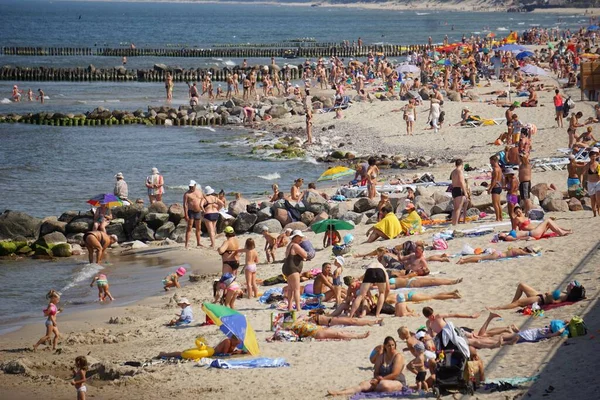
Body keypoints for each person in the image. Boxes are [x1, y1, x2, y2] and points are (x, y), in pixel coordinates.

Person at [327, 336, 404, 396]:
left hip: (396, 381)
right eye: (389, 346)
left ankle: (375, 387)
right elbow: (376, 372)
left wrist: (380, 380)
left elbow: (395, 374)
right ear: (385, 346)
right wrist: (377, 377)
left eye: (393, 345)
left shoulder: (398, 356)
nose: (391, 347)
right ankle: (340, 392)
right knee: (363, 385)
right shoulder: (381, 356)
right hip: (380, 380)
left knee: (384, 385)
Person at [488, 281, 586, 310]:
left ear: (572, 289)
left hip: (540, 299)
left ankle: (498, 308)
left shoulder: (565, 296)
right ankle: (511, 304)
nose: (569, 285)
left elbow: (554, 302)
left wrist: (549, 296)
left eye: (571, 285)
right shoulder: (565, 293)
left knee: (519, 303)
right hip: (539, 295)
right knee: (521, 285)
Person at [282, 230, 308, 312]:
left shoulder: (290, 245)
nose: (300, 239)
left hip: (287, 268)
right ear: (295, 237)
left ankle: (289, 307)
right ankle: (298, 307)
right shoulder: (295, 246)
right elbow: (305, 255)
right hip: (293, 269)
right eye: (299, 237)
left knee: (290, 289)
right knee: (296, 289)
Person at [183, 180, 204, 249]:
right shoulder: (187, 194)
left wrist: (203, 209)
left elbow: (203, 199)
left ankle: (198, 243)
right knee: (189, 227)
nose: (191, 188)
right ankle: (186, 244)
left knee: (198, 227)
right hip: (191, 211)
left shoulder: (199, 192)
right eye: (190, 186)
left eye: (192, 186)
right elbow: (185, 204)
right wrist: (186, 214)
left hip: (198, 211)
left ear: (195, 185)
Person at [456, 246, 537, 264]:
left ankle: (464, 260)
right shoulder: (519, 251)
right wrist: (532, 253)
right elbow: (526, 254)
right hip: (499, 255)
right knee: (480, 258)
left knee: (481, 257)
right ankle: (463, 260)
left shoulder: (516, 248)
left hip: (498, 253)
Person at [450, 159, 469, 225]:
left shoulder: (453, 172)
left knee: (455, 208)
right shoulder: (459, 171)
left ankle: (454, 222)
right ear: (462, 164)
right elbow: (461, 182)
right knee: (458, 208)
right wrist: (465, 192)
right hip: (459, 189)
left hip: (454, 189)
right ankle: (455, 223)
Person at [488, 155, 504, 221]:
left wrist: (490, 188)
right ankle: (501, 217)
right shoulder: (499, 168)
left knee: (495, 203)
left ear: (494, 161)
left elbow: (494, 179)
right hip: (499, 186)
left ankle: (497, 218)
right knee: (498, 203)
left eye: (491, 161)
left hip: (496, 186)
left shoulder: (495, 169)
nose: (490, 163)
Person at [585, 147, 600, 217]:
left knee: (598, 198)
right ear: (590, 157)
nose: (593, 158)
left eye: (595, 156)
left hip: (598, 183)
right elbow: (582, 174)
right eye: (592, 156)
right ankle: (594, 213)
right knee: (592, 199)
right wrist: (581, 182)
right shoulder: (587, 165)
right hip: (590, 183)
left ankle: (599, 210)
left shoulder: (598, 165)